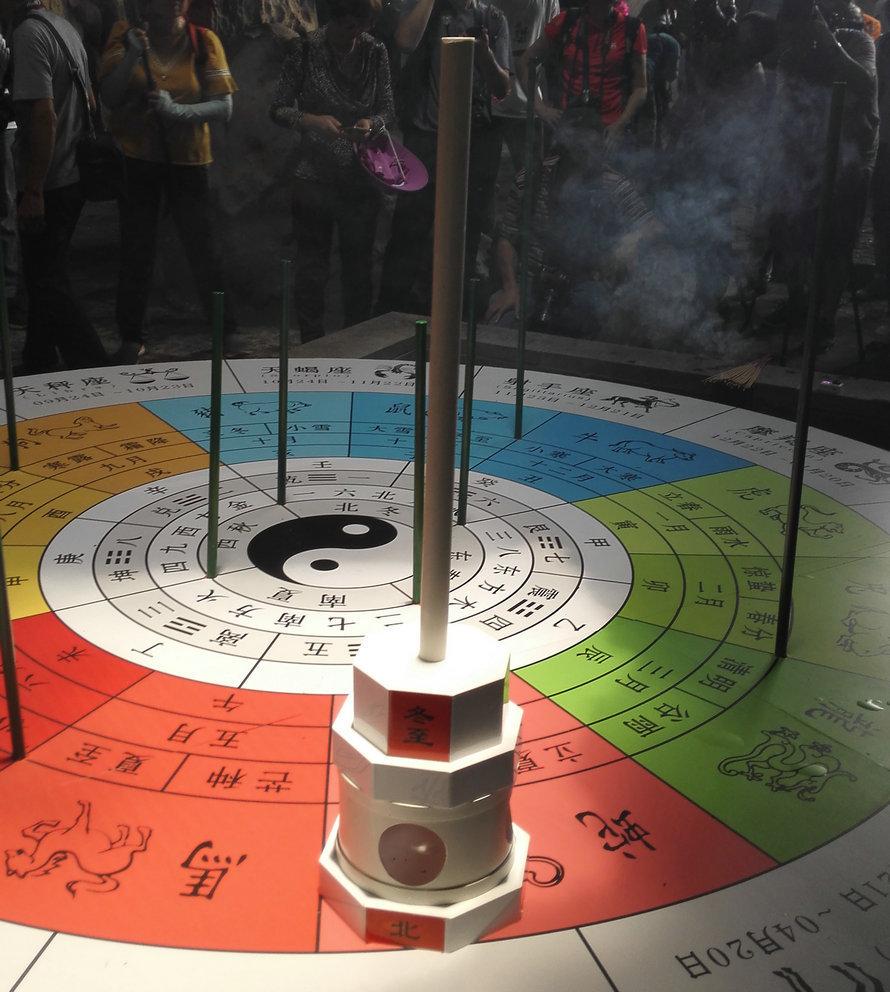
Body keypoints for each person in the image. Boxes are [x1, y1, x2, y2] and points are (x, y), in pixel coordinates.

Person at [99, 0, 236, 362]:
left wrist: (176, 111)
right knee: (137, 249)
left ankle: (225, 331)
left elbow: (224, 106)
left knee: (203, 248)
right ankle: (132, 336)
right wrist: (133, 54)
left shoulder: (203, 41)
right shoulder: (124, 36)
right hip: (138, 159)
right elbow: (109, 96)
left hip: (188, 160)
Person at [375, 0, 511, 316]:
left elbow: (502, 88)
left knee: (465, 232)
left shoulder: (491, 18)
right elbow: (405, 41)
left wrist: (484, 54)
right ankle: (389, 314)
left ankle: (454, 316)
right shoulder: (428, 10)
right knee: (409, 227)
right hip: (426, 135)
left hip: (473, 140)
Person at [270, 0, 394, 342]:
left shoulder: (375, 51)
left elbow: (387, 108)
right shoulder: (307, 49)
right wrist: (311, 120)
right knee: (312, 266)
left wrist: (371, 123)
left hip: (361, 170)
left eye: (358, 24)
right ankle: (311, 341)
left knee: (358, 266)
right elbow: (278, 108)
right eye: (343, 23)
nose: (350, 31)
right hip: (313, 172)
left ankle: (357, 341)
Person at [485, 119, 662, 335]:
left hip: (587, 286)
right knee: (500, 324)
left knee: (610, 330)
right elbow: (506, 238)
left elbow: (653, 228)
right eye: (579, 145)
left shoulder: (613, 184)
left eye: (592, 146)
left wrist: (622, 252)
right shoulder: (531, 179)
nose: (586, 153)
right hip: (531, 283)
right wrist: (510, 287)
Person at [6, 0, 108, 372]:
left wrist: (33, 190)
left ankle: (95, 364)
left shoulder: (28, 34)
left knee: (48, 280)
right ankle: (38, 358)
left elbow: (43, 116)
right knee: (44, 272)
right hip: (72, 172)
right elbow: (89, 99)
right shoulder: (63, 27)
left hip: (49, 179)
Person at [518, 0, 647, 154]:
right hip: (569, 130)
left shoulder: (632, 29)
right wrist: (540, 108)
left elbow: (640, 87)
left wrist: (620, 124)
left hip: (610, 135)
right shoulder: (567, 22)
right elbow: (525, 62)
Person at [491, 0, 559, 169]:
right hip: (489, 103)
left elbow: (554, 43)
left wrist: (543, 104)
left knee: (529, 174)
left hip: (528, 104)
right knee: (483, 177)